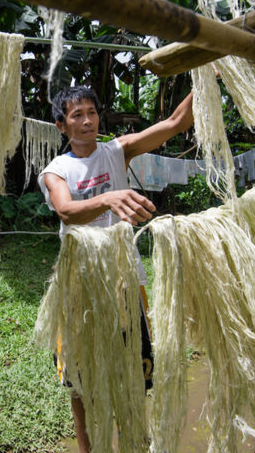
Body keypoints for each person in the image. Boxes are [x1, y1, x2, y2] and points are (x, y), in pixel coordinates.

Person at [38, 85, 194, 453]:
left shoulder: (116, 151)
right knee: (80, 380)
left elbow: (176, 122)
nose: (87, 120)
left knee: (133, 371)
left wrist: (210, 71)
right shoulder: (57, 170)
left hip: (124, 282)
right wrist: (108, 197)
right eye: (77, 115)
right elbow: (66, 211)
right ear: (62, 126)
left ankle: (134, 443)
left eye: (91, 112)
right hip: (80, 289)